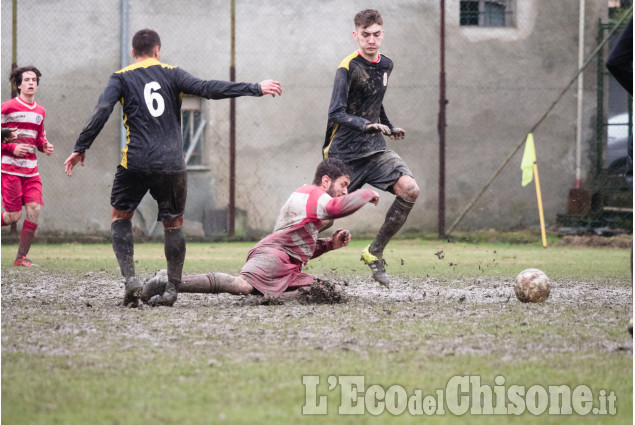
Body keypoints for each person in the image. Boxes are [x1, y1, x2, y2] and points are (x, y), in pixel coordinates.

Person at [64, 29, 282, 308]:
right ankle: (171, 290)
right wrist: (254, 87)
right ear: (157, 50)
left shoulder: (120, 77)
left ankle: (131, 280)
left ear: (133, 53)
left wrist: (81, 147)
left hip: (136, 161)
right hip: (172, 164)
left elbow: (101, 111)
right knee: (174, 223)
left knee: (120, 217)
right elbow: (208, 89)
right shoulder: (172, 73)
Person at [141, 158, 379, 304]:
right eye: (344, 185)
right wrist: (366, 193)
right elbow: (337, 208)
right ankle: (168, 280)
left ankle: (268, 294)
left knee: (329, 292)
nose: (347, 192)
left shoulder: (312, 201)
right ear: (326, 181)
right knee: (241, 286)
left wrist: (329, 244)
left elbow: (297, 247)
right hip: (272, 256)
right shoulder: (313, 194)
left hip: (286, 263)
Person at [322, 9, 419, 287]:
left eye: (376, 34)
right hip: (344, 155)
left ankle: (374, 252)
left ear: (382, 34)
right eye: (365, 35)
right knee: (323, 218)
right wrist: (366, 125)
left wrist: (388, 125)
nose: (371, 40)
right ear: (356, 36)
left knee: (410, 189)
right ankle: (284, 255)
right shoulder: (347, 67)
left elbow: (375, 101)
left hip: (375, 151)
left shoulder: (386, 64)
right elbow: (336, 113)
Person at [1, 66, 55, 267]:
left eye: (34, 80)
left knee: (34, 208)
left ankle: (20, 257)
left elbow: (39, 138)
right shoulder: (6, 108)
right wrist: (12, 147)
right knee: (13, 216)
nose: (31, 83)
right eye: (27, 80)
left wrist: (44, 146)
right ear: (18, 85)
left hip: (31, 170)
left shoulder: (40, 111)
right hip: (9, 170)